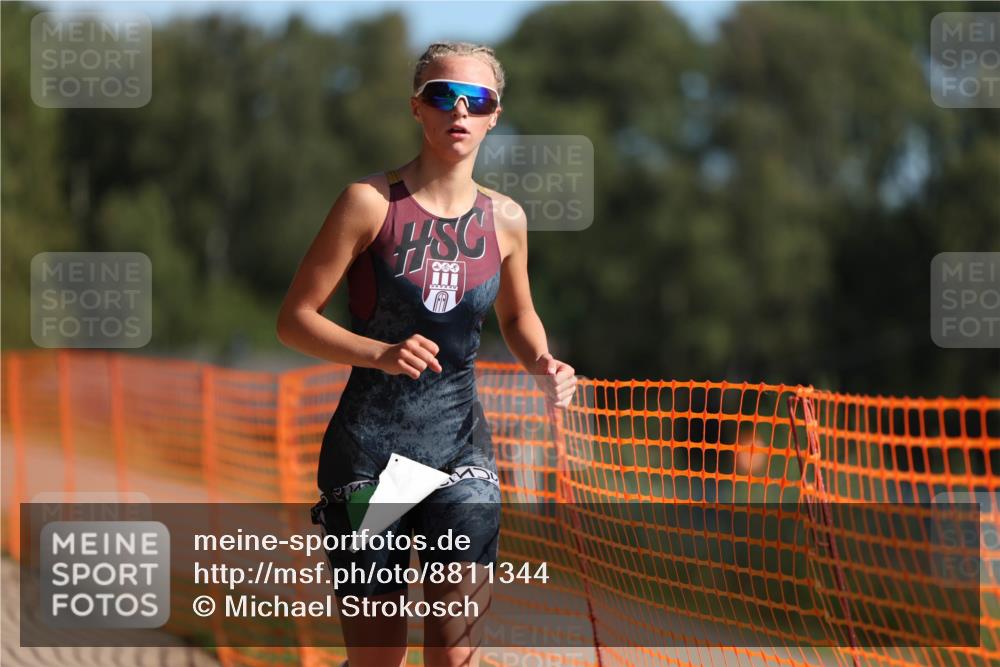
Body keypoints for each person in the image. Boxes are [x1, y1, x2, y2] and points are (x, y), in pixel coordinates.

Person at [276, 41, 578, 667]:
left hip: (459, 451)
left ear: (495, 115)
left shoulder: (506, 219)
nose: (459, 111)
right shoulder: (370, 202)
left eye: (478, 100)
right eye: (444, 95)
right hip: (370, 458)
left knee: (455, 652)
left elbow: (517, 315)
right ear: (418, 107)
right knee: (378, 659)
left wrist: (543, 361)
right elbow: (295, 321)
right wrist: (381, 352)